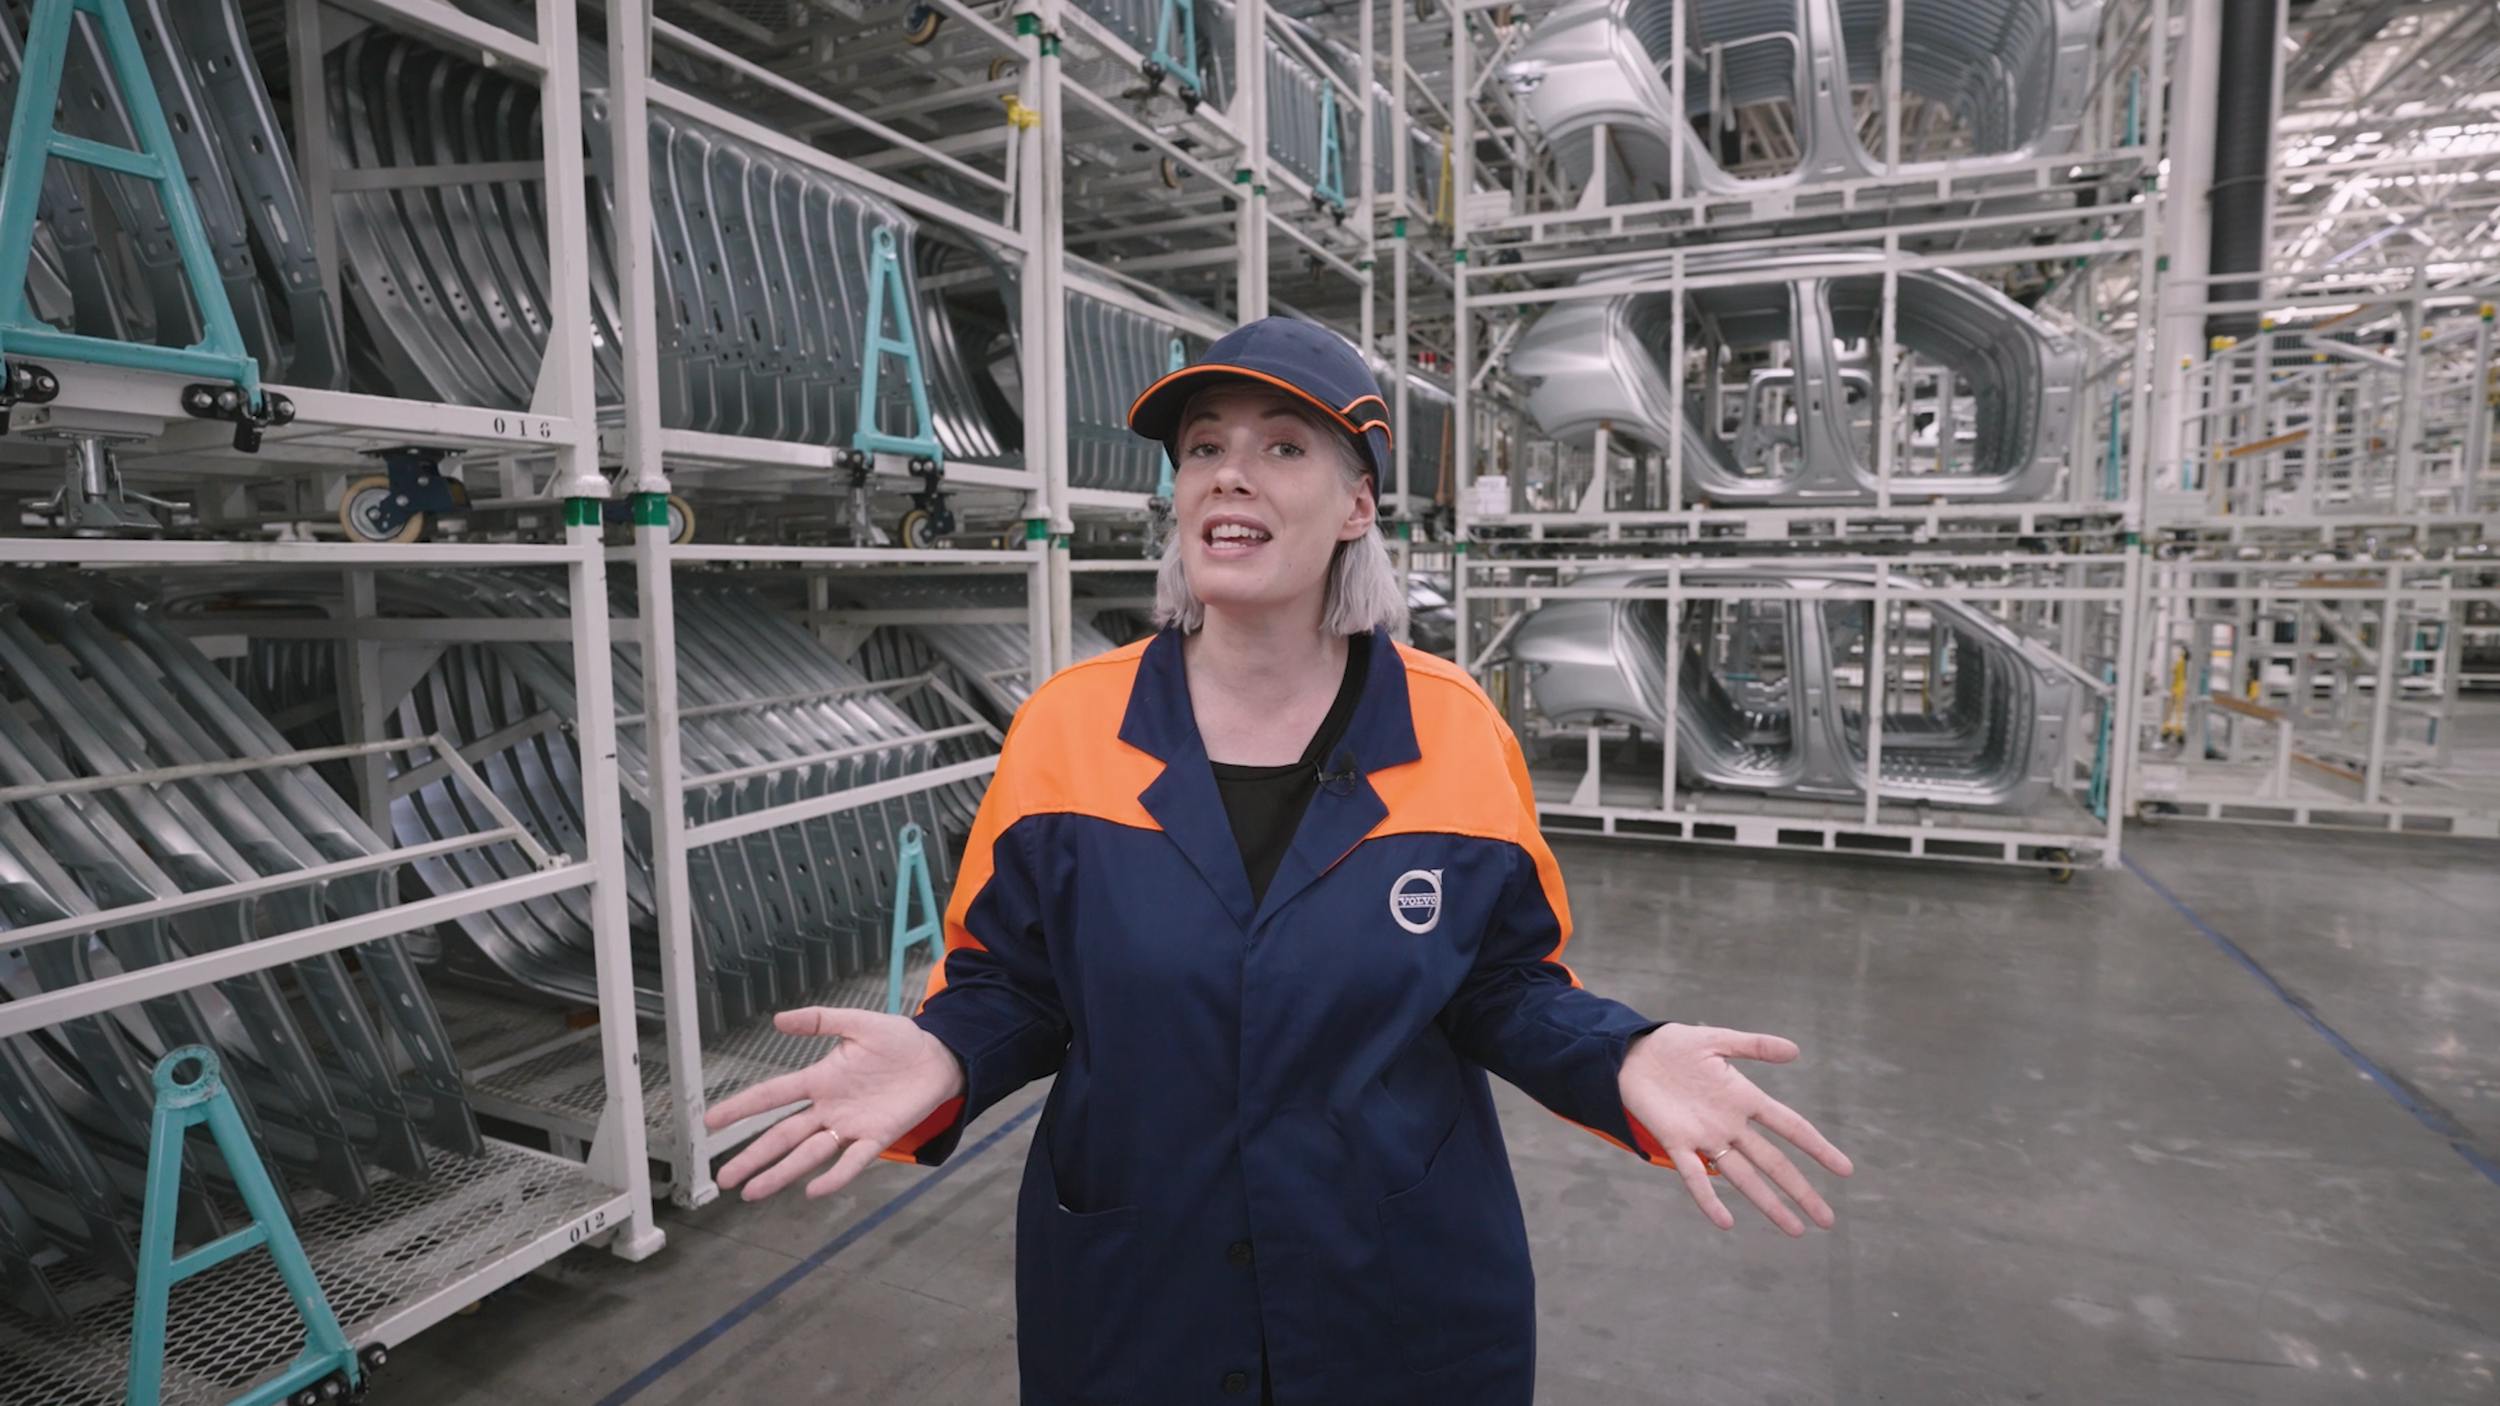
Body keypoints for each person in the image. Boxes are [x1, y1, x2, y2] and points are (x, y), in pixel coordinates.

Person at [703, 317, 1853, 1405]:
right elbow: (1016, 982)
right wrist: (944, 1052)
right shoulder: (1067, 726)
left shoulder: (1451, 727)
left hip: (1395, 1293)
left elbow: (1500, 984)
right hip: (1138, 1292)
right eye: (1203, 447)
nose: (1228, 473)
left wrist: (1624, 1055)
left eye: (1281, 447)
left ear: (1356, 504)